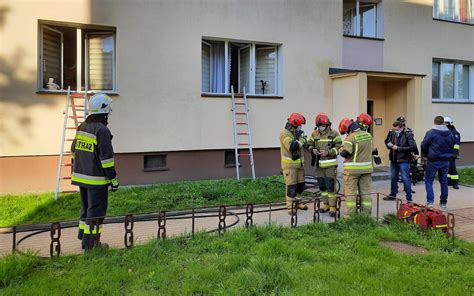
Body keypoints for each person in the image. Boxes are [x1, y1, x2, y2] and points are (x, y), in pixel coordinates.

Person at [71, 93, 119, 250]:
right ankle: (92, 244)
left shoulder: (82, 127)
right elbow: (106, 159)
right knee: (96, 211)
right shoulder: (102, 130)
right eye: (109, 108)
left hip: (81, 177)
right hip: (96, 180)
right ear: (104, 110)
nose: (110, 111)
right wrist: (113, 179)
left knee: (86, 208)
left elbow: (73, 150)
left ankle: (84, 239)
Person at [338, 113, 374, 215]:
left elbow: (345, 153)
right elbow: (371, 150)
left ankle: (350, 216)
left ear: (348, 129)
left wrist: (340, 148)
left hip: (352, 171)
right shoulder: (368, 135)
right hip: (366, 170)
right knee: (366, 192)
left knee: (350, 194)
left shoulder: (350, 138)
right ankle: (366, 215)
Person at [307, 113, 342, 217]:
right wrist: (312, 150)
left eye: (322, 126)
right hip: (319, 166)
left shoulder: (334, 133)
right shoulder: (315, 134)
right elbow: (309, 145)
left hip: (330, 166)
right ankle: (325, 204)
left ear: (327, 125)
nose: (321, 128)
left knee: (330, 187)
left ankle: (332, 207)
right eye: (319, 126)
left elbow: (340, 148)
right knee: (322, 187)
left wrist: (329, 152)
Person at [420, 116, 454, 209]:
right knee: (444, 181)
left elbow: (424, 145)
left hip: (433, 160)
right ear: (443, 122)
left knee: (429, 180)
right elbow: (452, 144)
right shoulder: (449, 133)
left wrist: (424, 155)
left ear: (434, 122)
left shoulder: (431, 132)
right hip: (445, 160)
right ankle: (443, 203)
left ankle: (430, 202)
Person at [280, 113, 309, 214]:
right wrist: (302, 140)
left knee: (300, 186)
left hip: (299, 166)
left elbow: (304, 143)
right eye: (300, 125)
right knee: (291, 187)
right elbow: (292, 146)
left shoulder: (296, 133)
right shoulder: (285, 133)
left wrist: (303, 140)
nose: (301, 127)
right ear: (294, 124)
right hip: (290, 167)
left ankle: (298, 202)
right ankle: (291, 206)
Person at [383, 121, 418, 202]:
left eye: (396, 129)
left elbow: (413, 146)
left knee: (405, 178)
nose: (394, 130)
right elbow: (387, 140)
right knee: (393, 177)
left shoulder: (408, 134)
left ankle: (409, 198)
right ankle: (392, 195)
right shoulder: (392, 132)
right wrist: (388, 144)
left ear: (400, 127)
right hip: (394, 159)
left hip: (404, 160)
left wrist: (398, 148)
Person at [444, 117, 461, 190]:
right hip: (445, 153)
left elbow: (456, 144)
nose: (445, 125)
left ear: (450, 123)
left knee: (452, 168)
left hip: (451, 153)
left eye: (446, 123)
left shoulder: (455, 133)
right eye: (444, 123)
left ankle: (455, 183)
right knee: (447, 168)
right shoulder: (444, 132)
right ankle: (449, 182)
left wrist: (455, 153)